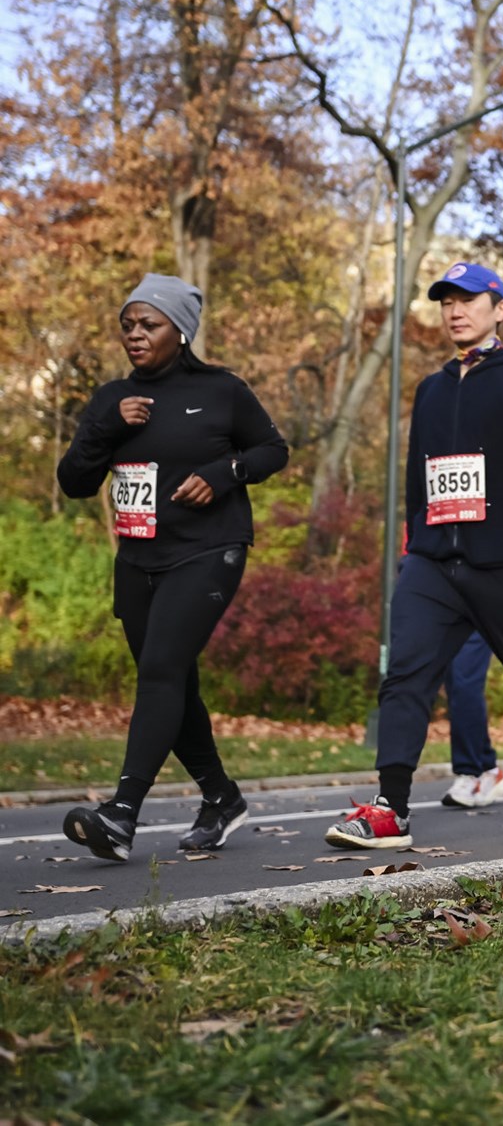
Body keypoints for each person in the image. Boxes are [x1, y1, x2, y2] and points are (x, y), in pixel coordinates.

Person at [325, 263, 503, 849]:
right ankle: (390, 806)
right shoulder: (432, 387)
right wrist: (411, 549)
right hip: (431, 563)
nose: (454, 310)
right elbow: (418, 477)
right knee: (405, 677)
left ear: (500, 307)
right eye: (445, 301)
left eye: (468, 299)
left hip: (502, 562)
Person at [55, 274, 289, 861]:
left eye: (148, 324)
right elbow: (73, 482)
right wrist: (106, 429)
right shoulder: (112, 399)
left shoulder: (221, 391)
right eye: (128, 325)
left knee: (160, 670)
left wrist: (222, 475)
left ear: (179, 331)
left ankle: (121, 813)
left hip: (209, 550)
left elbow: (271, 449)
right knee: (174, 683)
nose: (135, 334)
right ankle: (221, 798)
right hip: (138, 558)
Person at [440, 632, 503, 808]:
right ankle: (488, 769)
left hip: (480, 608)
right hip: (447, 608)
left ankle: (469, 773)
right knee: (454, 683)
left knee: (463, 680)